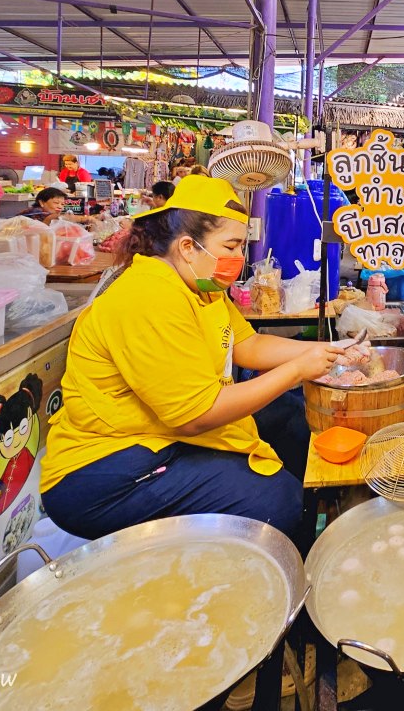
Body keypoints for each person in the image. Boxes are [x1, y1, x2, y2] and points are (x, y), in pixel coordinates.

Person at [39, 176, 347, 540]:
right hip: (105, 469)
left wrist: (325, 352)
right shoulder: (149, 297)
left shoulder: (201, 287)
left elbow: (245, 344)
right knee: (277, 501)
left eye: (241, 247)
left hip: (159, 432)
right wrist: (298, 368)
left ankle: (307, 524)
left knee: (291, 416)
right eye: (230, 247)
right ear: (188, 246)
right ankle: (284, 549)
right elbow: (196, 414)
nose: (238, 259)